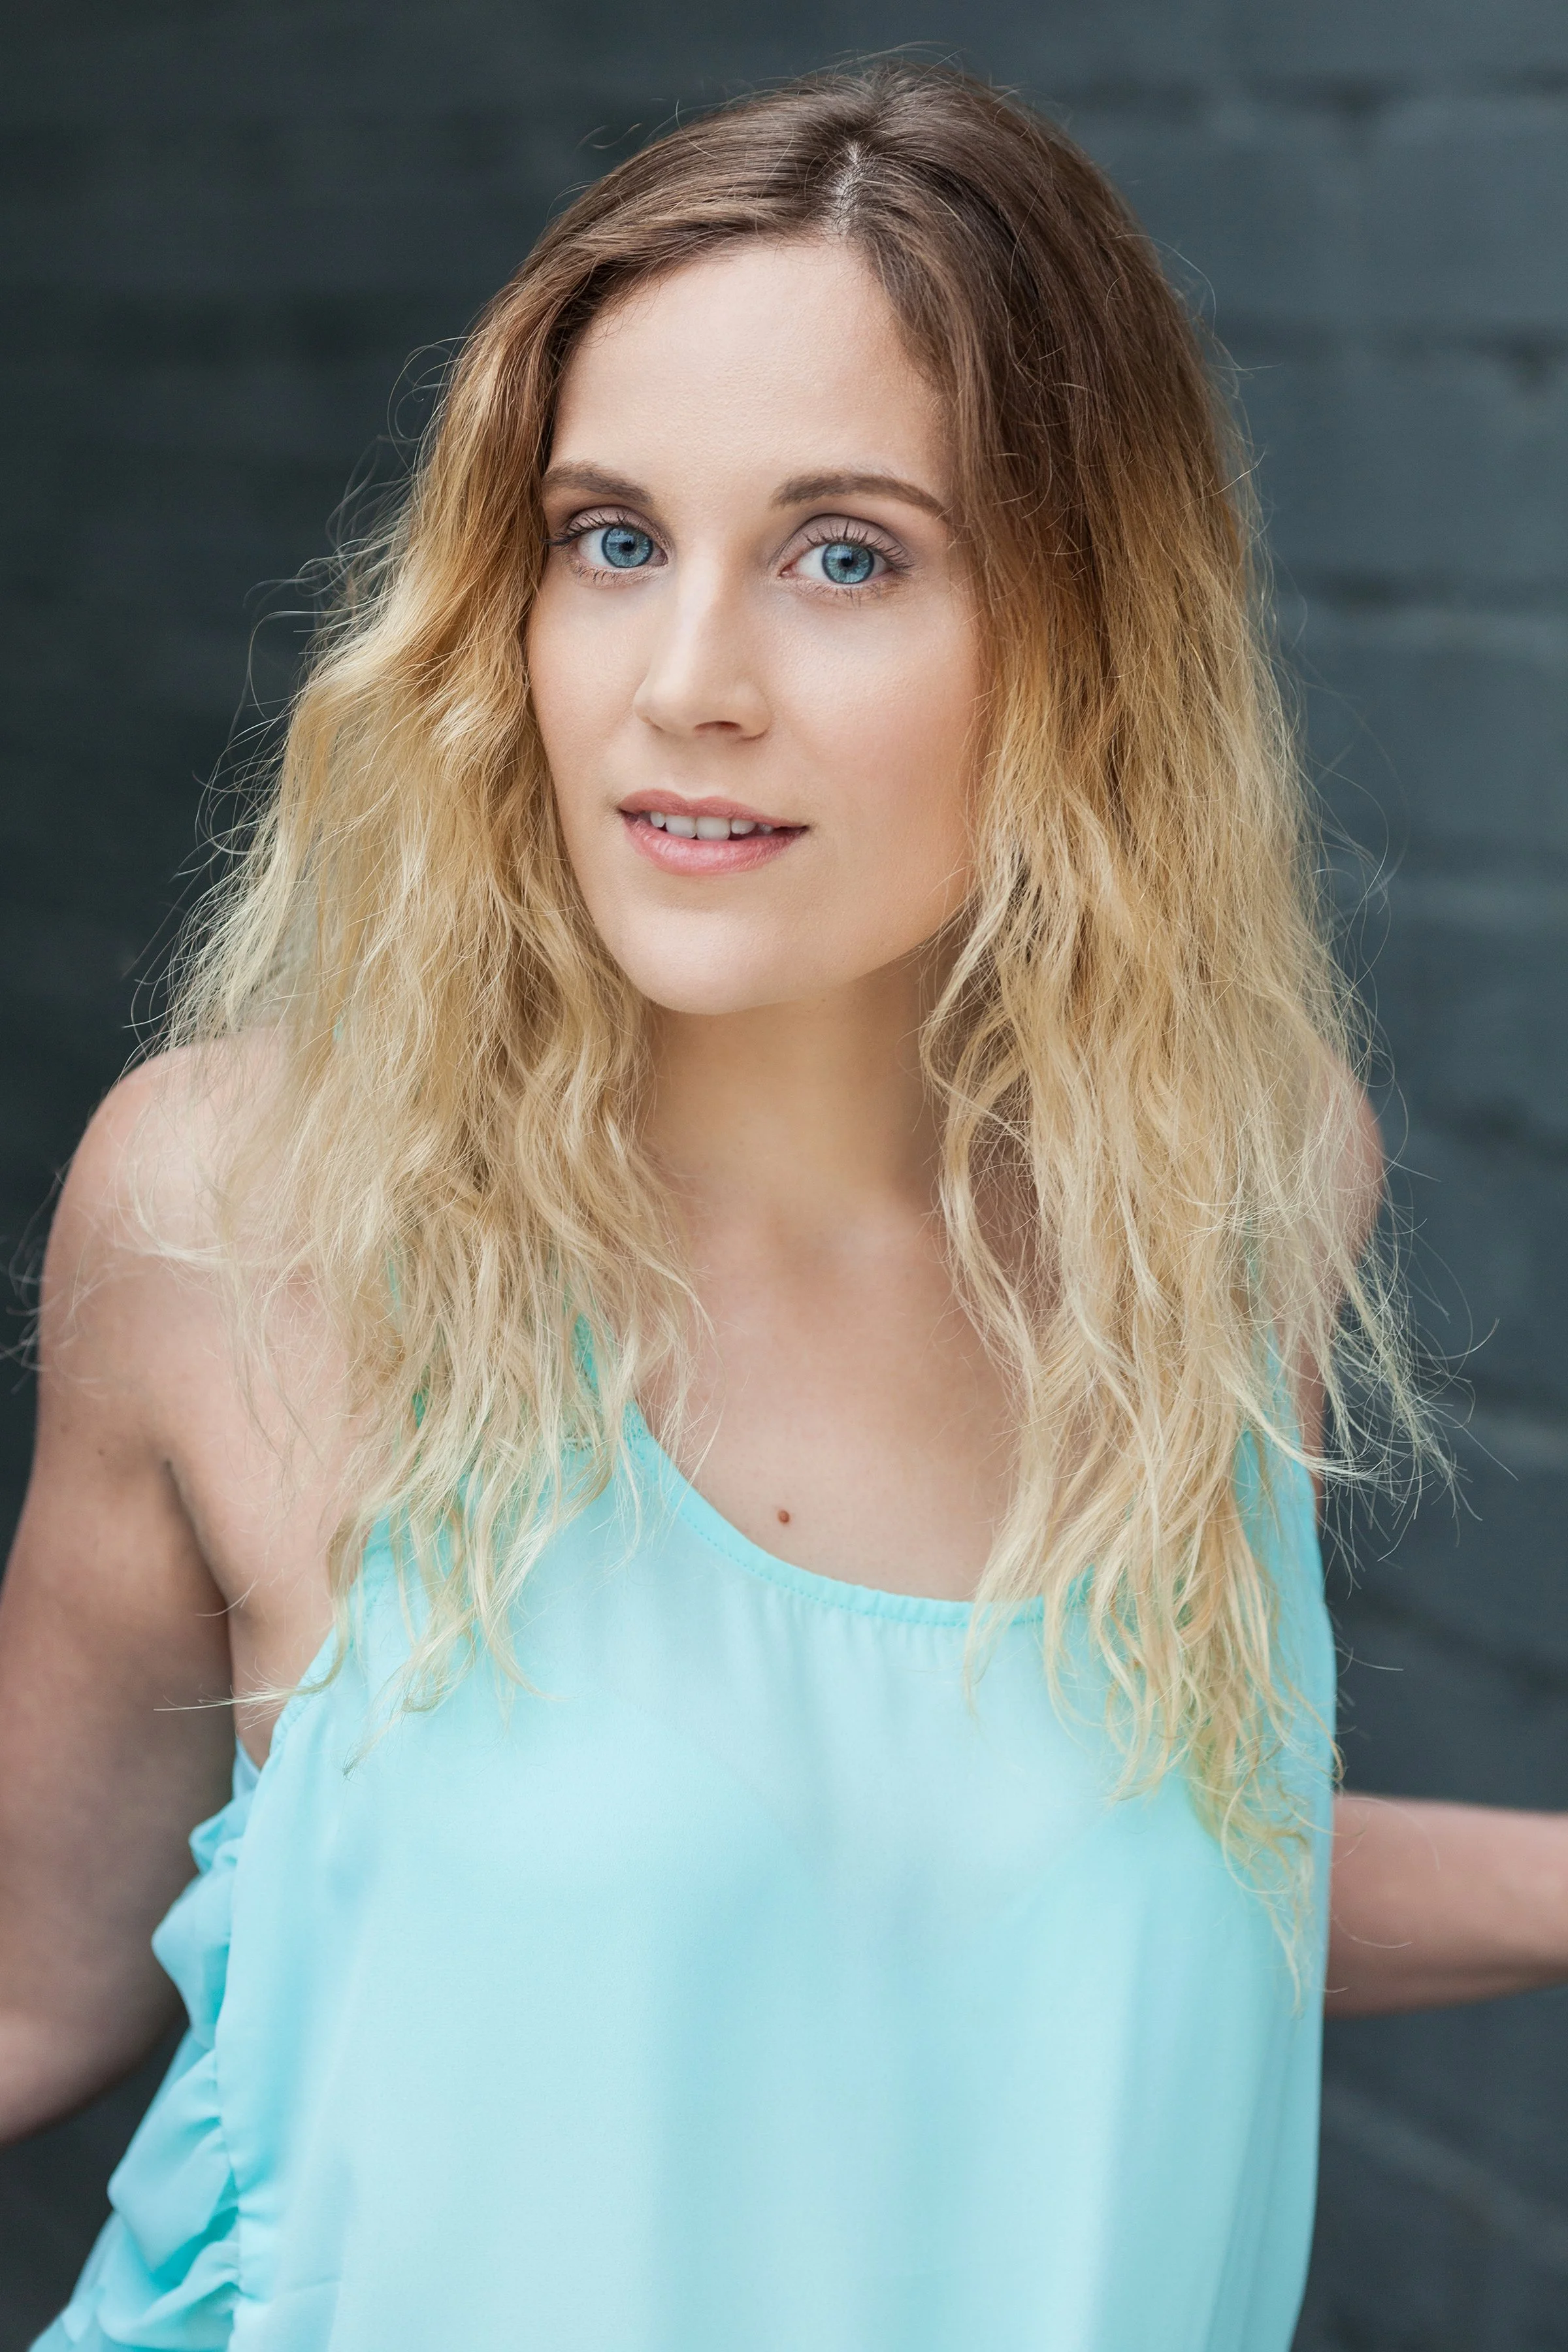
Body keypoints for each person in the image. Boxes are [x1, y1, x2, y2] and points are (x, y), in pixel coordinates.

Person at [1, 62, 1565, 2352]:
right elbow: (31, 1978)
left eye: (848, 553)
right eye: (608, 538)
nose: (684, 685)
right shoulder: (253, 1215)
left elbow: (1050, 1866)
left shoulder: (1218, 1196)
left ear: (1083, 635)